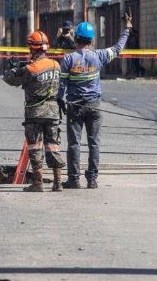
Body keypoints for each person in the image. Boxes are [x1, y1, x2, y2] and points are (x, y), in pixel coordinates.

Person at [57, 12, 133, 189]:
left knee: (74, 144)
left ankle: (74, 179)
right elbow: (118, 48)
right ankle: (92, 179)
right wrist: (127, 29)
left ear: (76, 38)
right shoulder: (99, 56)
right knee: (94, 143)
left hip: (74, 106)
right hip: (94, 106)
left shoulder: (68, 59)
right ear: (91, 40)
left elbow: (62, 84)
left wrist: (60, 99)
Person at [2, 31, 65, 192]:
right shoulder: (56, 65)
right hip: (53, 111)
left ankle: (38, 184)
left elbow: (10, 80)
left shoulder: (31, 68)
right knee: (53, 145)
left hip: (35, 112)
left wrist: (14, 70)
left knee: (35, 147)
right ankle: (58, 183)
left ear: (32, 48)